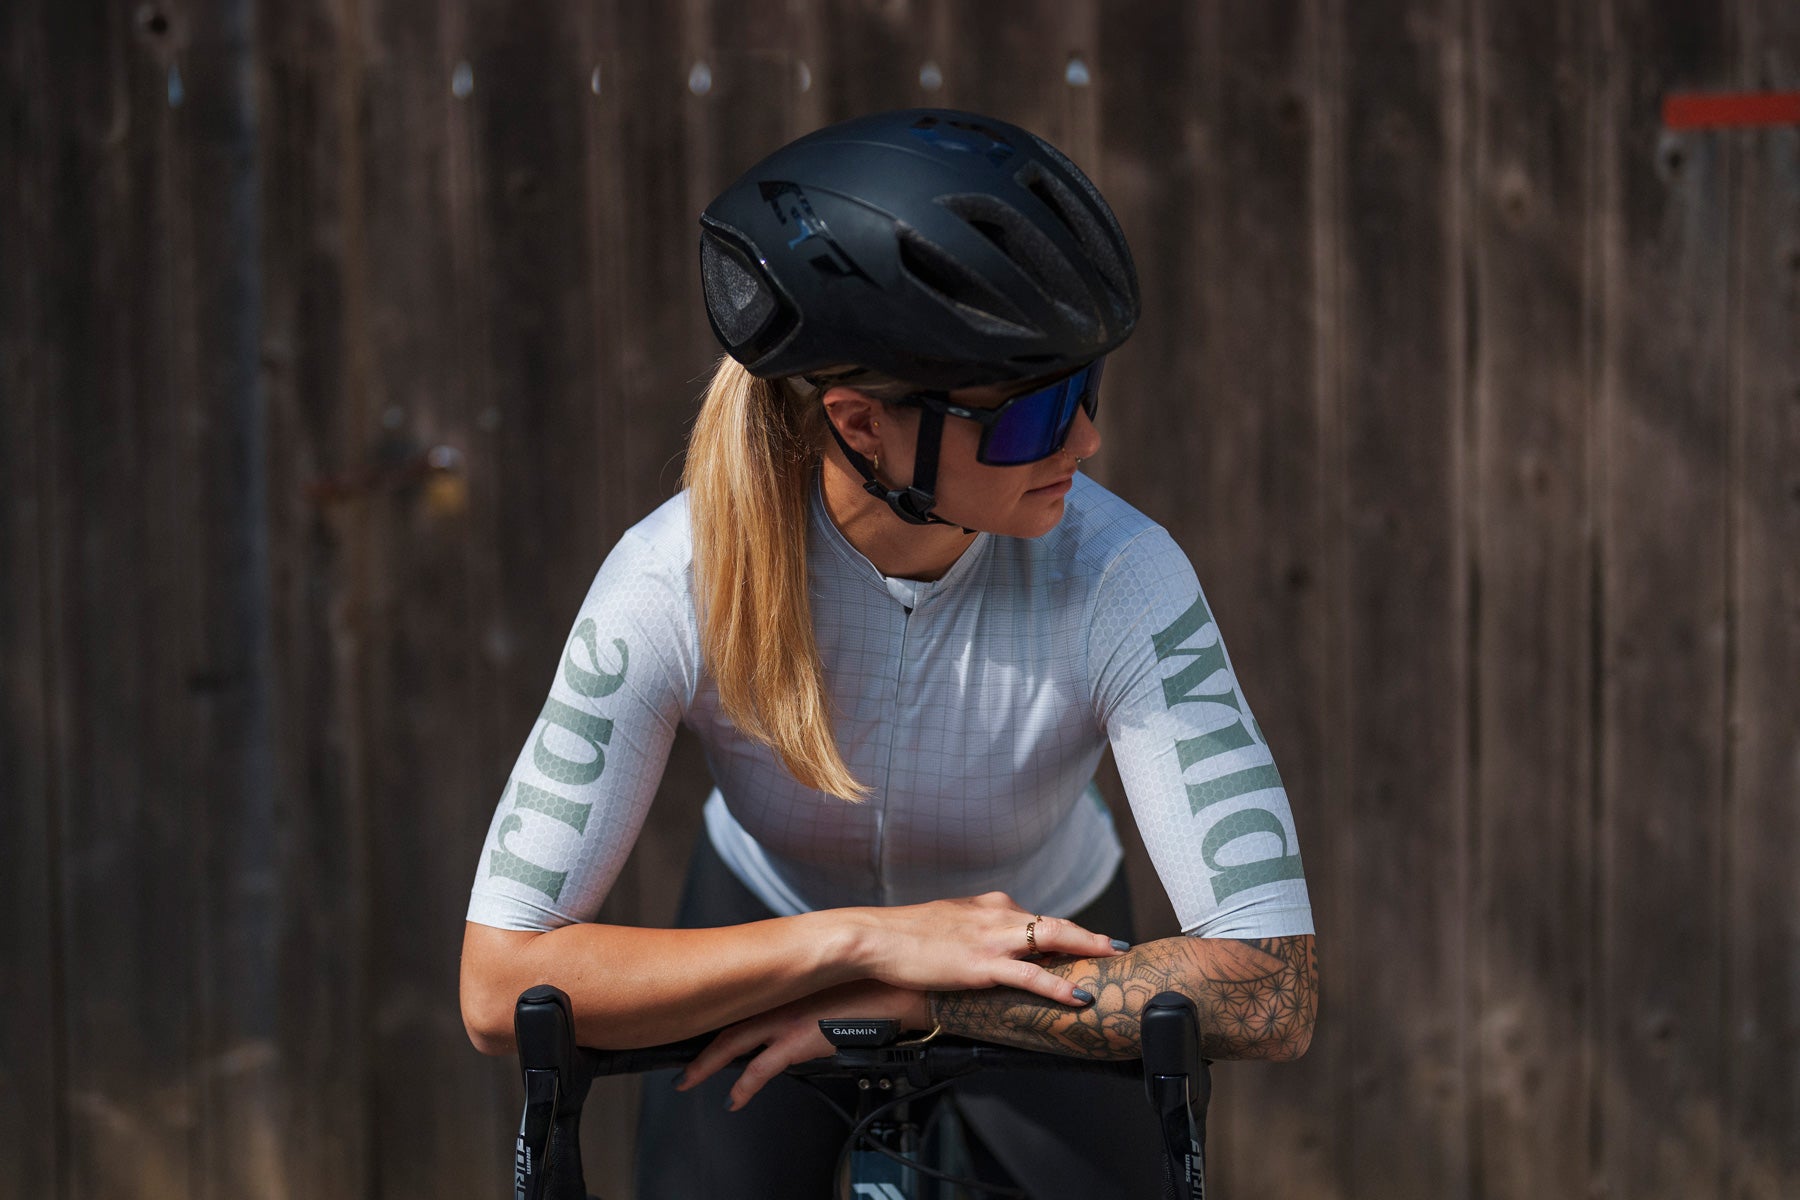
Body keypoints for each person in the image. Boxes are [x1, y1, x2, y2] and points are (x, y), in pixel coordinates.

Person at [459, 108, 1317, 1198]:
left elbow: (1273, 987)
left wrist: (921, 994)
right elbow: (497, 986)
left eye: (1086, 387)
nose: (1086, 440)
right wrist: (863, 943)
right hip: (769, 926)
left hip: (1036, 940)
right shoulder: (669, 580)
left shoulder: (1123, 576)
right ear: (862, 425)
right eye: (1034, 412)